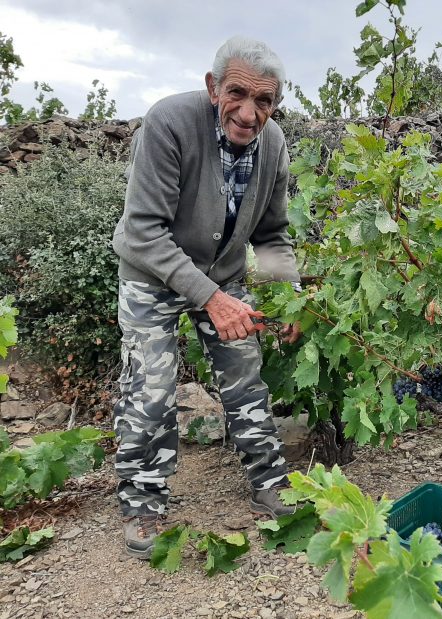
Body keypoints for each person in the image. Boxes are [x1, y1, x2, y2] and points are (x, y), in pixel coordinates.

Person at [111, 36, 303, 559]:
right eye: (238, 94)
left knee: (245, 372)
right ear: (213, 86)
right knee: (151, 386)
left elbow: (272, 234)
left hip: (223, 274)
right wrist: (210, 297)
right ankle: (142, 500)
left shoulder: (275, 144)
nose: (249, 112)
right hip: (153, 273)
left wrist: (290, 295)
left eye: (264, 101)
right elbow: (145, 232)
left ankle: (269, 481)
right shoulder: (169, 123)